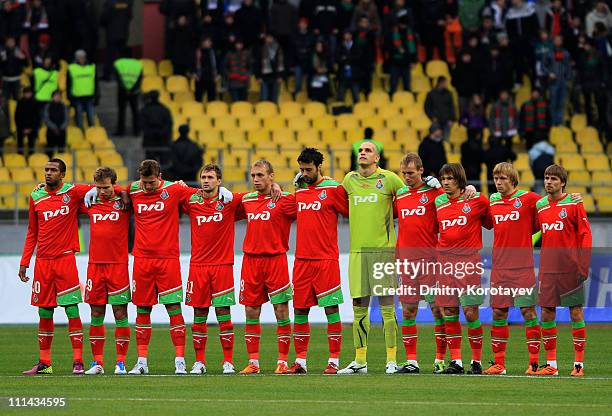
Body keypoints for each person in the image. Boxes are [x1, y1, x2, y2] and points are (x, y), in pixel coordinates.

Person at [124, 159, 230, 375]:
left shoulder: (175, 189)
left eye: (152, 183)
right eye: (144, 182)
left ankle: (179, 360)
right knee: (142, 310)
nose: (147, 187)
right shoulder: (134, 189)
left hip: (168, 261)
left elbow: (202, 192)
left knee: (174, 309)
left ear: (160, 177)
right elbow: (115, 188)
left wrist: (223, 188)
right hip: (142, 261)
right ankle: (141, 361)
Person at [19, 159, 99, 375]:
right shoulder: (36, 196)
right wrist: (25, 261)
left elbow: (100, 186)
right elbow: (32, 231)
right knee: (44, 312)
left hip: (65, 261)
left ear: (62, 174)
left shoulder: (72, 193)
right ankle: (45, 363)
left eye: (53, 170)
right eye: (46, 170)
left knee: (71, 309)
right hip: (43, 263)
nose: (48, 173)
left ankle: (78, 361)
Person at [336, 142, 406, 374]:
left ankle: (392, 360)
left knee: (387, 306)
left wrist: (432, 184)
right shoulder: (349, 180)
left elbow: (411, 196)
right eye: (361, 150)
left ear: (377, 157)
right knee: (359, 307)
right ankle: (360, 360)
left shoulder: (389, 179)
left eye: (368, 150)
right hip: (357, 252)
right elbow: (328, 194)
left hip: (382, 251)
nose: (363, 153)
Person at [288, 148, 348, 374]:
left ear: (318, 167)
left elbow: (351, 211)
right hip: (302, 260)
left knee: (331, 309)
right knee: (300, 310)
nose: (304, 173)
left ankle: (334, 361)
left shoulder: (333, 189)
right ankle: (300, 361)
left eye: (308, 169)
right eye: (301, 169)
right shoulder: (299, 190)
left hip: (326, 259)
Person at [237, 160, 297, 374]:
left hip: (276, 260)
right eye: (253, 175)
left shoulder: (286, 200)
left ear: (271, 176)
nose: (255, 179)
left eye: (260, 175)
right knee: (251, 310)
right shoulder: (245, 200)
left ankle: (282, 361)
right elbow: (218, 199)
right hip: (251, 262)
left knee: (281, 310)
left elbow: (307, 204)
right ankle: (253, 362)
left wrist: (283, 188)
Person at [181, 164, 242, 375]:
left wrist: (276, 188)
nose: (206, 180)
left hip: (222, 266)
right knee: (199, 313)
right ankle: (199, 362)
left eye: (210, 177)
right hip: (198, 266)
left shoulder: (229, 201)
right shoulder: (191, 199)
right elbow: (167, 189)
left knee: (224, 313)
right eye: (203, 176)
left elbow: (257, 196)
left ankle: (228, 361)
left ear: (219, 181)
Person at [484, 162, 543, 375]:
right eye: (496, 179)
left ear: (512, 180)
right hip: (499, 268)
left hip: (523, 267)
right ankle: (498, 364)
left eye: (502, 179)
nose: (498, 183)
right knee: (499, 313)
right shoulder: (493, 200)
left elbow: (550, 206)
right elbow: (487, 222)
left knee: (528, 311)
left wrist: (572, 198)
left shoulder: (529, 199)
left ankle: (534, 363)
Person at [435, 163, 492, 374]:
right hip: (445, 263)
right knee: (449, 311)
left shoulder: (476, 199)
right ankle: (456, 361)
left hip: (468, 262)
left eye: (450, 179)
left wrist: (476, 190)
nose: (446, 183)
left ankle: (476, 361)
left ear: (459, 180)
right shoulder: (438, 201)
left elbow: (492, 221)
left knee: (470, 312)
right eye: (443, 179)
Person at [535, 164, 591, 376]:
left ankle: (578, 365)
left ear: (563, 183)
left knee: (575, 312)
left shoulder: (574, 204)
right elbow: (536, 234)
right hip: (548, 269)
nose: (549, 182)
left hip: (570, 268)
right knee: (547, 312)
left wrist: (583, 265)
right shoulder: (540, 205)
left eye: (554, 179)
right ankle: (552, 365)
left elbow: (585, 235)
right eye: (547, 178)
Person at [393, 153, 447, 374]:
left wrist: (440, 189)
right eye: (404, 173)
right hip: (406, 262)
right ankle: (412, 361)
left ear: (422, 171)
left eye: (411, 173)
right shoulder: (400, 195)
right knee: (408, 311)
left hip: (431, 261)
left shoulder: (434, 193)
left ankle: (440, 360)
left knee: (438, 310)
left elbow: (452, 203)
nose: (406, 177)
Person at [80, 167, 131, 376]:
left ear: (114, 184)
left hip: (118, 266)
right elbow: (66, 193)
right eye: (99, 187)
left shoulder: (125, 202)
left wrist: (121, 191)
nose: (102, 191)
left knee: (120, 313)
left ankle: (120, 362)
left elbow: (137, 188)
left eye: (107, 187)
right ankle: (97, 363)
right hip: (95, 266)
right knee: (96, 313)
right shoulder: (90, 202)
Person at [100, 0, 134, 81]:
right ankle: (123, 75)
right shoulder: (127, 3)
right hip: (123, 33)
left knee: (110, 55)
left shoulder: (110, 3)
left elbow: (104, 17)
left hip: (112, 33)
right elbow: (130, 16)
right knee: (122, 55)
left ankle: (107, 76)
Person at [543, 35, 571, 126]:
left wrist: (568, 78)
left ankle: (559, 121)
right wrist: (549, 73)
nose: (558, 41)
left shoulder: (566, 53)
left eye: (560, 40)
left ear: (562, 41)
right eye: (556, 40)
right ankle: (552, 122)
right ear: (553, 41)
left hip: (563, 81)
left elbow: (568, 67)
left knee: (561, 102)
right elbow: (543, 66)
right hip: (553, 82)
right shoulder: (548, 53)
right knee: (553, 102)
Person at [67, 49, 98, 130]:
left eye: (83, 57)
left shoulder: (92, 66)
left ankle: (92, 136)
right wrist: (69, 97)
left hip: (89, 96)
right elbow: (68, 83)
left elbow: (96, 82)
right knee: (79, 120)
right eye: (80, 57)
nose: (82, 59)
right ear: (76, 58)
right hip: (77, 97)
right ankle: (81, 136)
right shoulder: (71, 68)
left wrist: (97, 95)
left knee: (91, 119)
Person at [114, 51, 142, 136]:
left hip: (122, 91)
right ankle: (136, 131)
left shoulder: (118, 63)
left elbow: (118, 78)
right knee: (135, 112)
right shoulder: (138, 64)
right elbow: (139, 78)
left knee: (121, 112)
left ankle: (121, 131)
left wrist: (125, 89)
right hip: (134, 92)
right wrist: (133, 89)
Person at [140, 90, 173, 164]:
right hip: (163, 140)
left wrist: (151, 133)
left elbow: (142, 126)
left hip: (150, 141)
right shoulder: (165, 110)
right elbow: (168, 125)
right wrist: (161, 134)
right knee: (164, 165)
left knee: (150, 166)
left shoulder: (145, 110)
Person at [386, 21, 416, 96]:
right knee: (393, 86)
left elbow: (413, 49)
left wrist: (413, 61)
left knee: (407, 86)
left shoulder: (410, 34)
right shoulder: (391, 34)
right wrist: (397, 49)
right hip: (395, 63)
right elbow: (386, 47)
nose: (403, 26)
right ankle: (392, 102)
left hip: (406, 63)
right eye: (401, 24)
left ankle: (408, 102)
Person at [255, 34, 285, 103]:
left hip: (276, 77)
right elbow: (257, 64)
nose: (269, 39)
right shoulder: (261, 49)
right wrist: (258, 76)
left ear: (273, 39)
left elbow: (282, 63)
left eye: (271, 38)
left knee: (274, 98)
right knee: (264, 98)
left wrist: (281, 76)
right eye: (268, 38)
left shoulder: (279, 49)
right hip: (264, 77)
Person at [336, 31, 362, 104]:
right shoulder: (339, 46)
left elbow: (359, 58)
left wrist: (346, 58)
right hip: (342, 74)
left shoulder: (356, 45)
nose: (347, 36)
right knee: (340, 96)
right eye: (345, 34)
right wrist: (350, 58)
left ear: (351, 36)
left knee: (356, 96)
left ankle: (358, 111)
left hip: (354, 74)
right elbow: (337, 58)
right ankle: (340, 111)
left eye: (348, 34)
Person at [43, 90, 68, 158]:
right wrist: (54, 128)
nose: (58, 97)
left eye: (59, 96)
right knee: (50, 151)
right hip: (51, 131)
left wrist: (61, 128)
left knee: (61, 151)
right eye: (56, 96)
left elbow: (66, 118)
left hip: (62, 131)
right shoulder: (48, 106)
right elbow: (46, 118)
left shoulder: (64, 106)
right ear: (52, 97)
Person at [15, 87, 40, 156]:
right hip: (21, 128)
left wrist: (30, 128)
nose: (27, 94)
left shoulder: (35, 103)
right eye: (26, 93)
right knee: (20, 144)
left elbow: (37, 117)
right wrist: (22, 128)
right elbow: (17, 116)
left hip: (32, 128)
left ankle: (31, 157)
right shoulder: (20, 102)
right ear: (23, 94)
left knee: (31, 144)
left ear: (31, 93)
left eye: (29, 93)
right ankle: (20, 158)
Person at [193, 37, 219, 103]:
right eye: (205, 42)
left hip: (211, 78)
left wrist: (218, 75)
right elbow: (192, 63)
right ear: (202, 43)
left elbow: (218, 64)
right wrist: (194, 74)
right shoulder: (197, 52)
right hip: (200, 78)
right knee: (198, 98)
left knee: (212, 99)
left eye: (208, 42)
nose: (207, 43)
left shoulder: (213, 52)